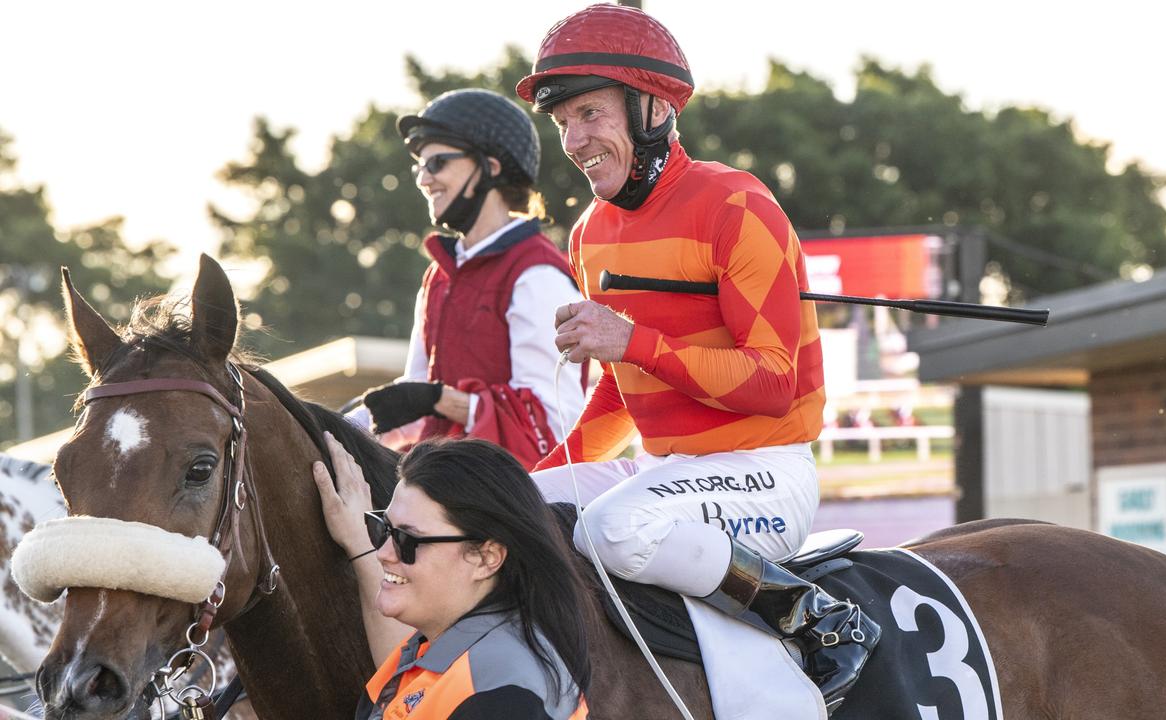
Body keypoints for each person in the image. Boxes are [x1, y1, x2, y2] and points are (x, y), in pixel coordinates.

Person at [513, 3, 879, 710]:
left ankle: (815, 617)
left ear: (652, 107)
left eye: (590, 113)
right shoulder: (589, 234)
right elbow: (621, 396)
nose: (575, 140)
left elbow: (774, 384)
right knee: (504, 510)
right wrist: (533, 480)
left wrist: (632, 341)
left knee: (614, 529)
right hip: (669, 474)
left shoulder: (738, 206)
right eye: (563, 124)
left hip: (765, 472)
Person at [347, 88, 585, 470]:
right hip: (435, 478)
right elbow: (412, 400)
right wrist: (333, 429)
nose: (424, 179)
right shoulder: (437, 275)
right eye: (419, 167)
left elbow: (551, 426)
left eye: (437, 163)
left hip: (511, 496)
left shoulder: (537, 274)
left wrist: (440, 399)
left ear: (490, 166)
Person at [311, 433, 591, 719]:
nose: (382, 553)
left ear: (486, 558)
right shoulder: (424, 650)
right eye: (384, 528)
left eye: (407, 540)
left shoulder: (500, 693)